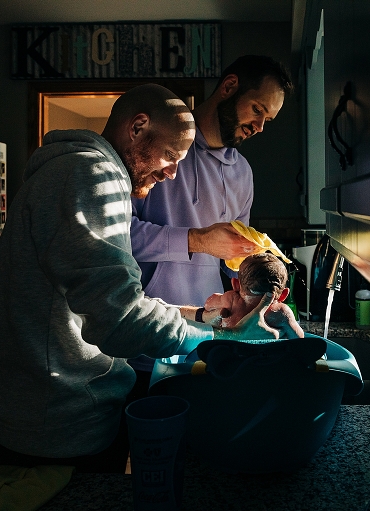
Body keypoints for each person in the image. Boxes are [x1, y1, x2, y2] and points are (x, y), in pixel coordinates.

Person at [0, 84, 280, 475]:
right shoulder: (89, 177)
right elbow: (119, 321)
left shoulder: (85, 174)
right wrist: (221, 339)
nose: (172, 173)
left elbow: (111, 300)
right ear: (137, 127)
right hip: (55, 432)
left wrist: (204, 318)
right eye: (170, 157)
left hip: (54, 416)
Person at [129, 55, 294, 379]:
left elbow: (233, 262)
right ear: (229, 87)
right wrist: (197, 240)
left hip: (207, 342)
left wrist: (264, 278)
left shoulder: (243, 174)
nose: (259, 127)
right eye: (257, 110)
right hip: (143, 341)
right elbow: (121, 237)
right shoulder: (162, 149)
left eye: (268, 120)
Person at [189, 252, 304, 339]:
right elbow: (299, 339)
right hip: (266, 362)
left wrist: (220, 301)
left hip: (230, 358)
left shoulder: (229, 300)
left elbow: (208, 304)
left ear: (235, 284)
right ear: (284, 295)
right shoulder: (281, 311)